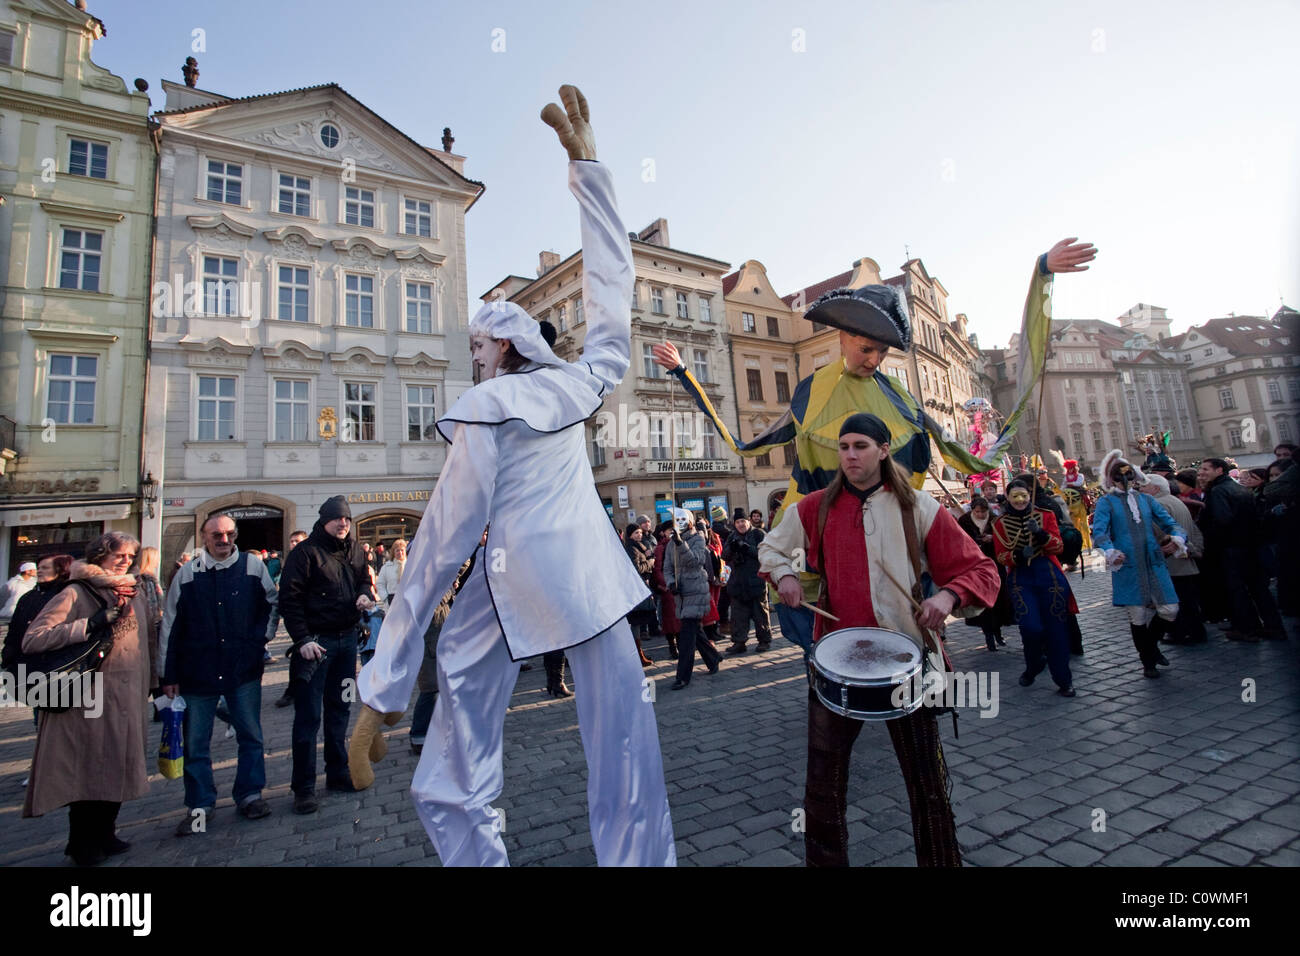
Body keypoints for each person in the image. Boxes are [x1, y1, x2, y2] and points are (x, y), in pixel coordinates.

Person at [348, 86, 674, 867]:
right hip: (592, 584)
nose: (473, 359)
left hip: (506, 584)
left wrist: (383, 687)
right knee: (629, 764)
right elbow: (613, 292)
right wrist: (589, 169)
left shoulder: (491, 405)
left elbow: (436, 546)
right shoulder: (581, 380)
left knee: (451, 780)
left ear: (502, 351)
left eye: (477, 348)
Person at [655, 239, 1095, 658]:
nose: (874, 360)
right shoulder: (812, 394)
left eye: (882, 352)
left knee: (910, 681)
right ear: (842, 338)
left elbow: (970, 461)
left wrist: (1041, 276)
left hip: (897, 539)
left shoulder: (900, 400)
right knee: (833, 667)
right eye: (867, 348)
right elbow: (748, 444)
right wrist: (683, 375)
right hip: (829, 542)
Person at [759, 413, 999, 866]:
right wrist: (785, 574)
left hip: (909, 664)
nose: (849, 454)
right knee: (822, 791)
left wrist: (948, 595)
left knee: (929, 787)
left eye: (860, 446)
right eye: (843, 446)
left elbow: (980, 569)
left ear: (884, 450)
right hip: (836, 663)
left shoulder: (918, 507)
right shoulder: (813, 508)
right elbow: (771, 548)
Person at [21, 532, 161, 865]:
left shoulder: (135, 590)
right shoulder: (76, 590)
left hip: (127, 696)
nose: (125, 560)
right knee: (85, 772)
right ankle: (82, 843)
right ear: (100, 555)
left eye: (130, 555)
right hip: (86, 699)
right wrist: (89, 624)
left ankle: (107, 833)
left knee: (118, 767)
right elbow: (34, 639)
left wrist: (155, 681)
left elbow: (147, 640)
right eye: (119, 554)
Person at [161, 513, 278, 832]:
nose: (223, 540)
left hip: (243, 669)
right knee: (196, 743)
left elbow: (271, 604)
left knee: (250, 735)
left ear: (235, 535)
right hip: (197, 672)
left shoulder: (253, 567)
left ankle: (250, 794)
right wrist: (167, 674)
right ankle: (199, 805)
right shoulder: (187, 574)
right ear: (204, 537)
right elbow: (170, 626)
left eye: (228, 534)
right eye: (216, 535)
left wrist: (259, 640)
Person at [277, 495, 376, 813]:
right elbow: (289, 600)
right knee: (308, 718)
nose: (343, 524)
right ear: (323, 521)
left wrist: (363, 595)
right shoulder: (304, 554)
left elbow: (364, 580)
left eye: (346, 519)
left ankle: (337, 773)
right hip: (316, 648)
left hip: (348, 644)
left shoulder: (355, 549)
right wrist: (302, 639)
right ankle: (303, 788)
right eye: (337, 519)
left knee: (340, 711)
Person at [1091, 450, 1188, 678]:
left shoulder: (1146, 500)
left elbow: (1171, 524)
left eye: (1129, 476)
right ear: (1111, 479)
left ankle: (1151, 649)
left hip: (1153, 561)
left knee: (1170, 609)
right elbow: (1100, 533)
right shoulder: (1106, 502)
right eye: (1119, 477)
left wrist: (1177, 540)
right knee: (1138, 616)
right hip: (1128, 566)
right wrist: (1110, 551)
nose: (1125, 481)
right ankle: (1148, 662)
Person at [993, 478, 1078, 696]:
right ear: (1009, 498)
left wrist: (1040, 534)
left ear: (1029, 495)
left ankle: (1064, 681)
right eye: (1015, 496)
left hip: (1048, 575)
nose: (1020, 500)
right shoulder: (1000, 524)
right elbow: (1001, 556)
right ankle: (1034, 665)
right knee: (1030, 627)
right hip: (1022, 579)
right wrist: (1018, 555)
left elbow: (1058, 546)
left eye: (1023, 495)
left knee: (1056, 630)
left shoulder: (1045, 515)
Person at [1198, 456, 1284, 642]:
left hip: (1230, 547)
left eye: (1206, 469)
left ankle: (1247, 628)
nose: (1202, 472)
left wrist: (1211, 540)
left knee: (1237, 589)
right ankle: (1273, 626)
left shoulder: (1219, 490)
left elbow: (1222, 520)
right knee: (1258, 588)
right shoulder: (1239, 488)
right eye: (1201, 469)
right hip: (1249, 545)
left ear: (1219, 470)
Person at [1142, 474, 1207, 645]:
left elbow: (1158, 533)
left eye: (1144, 486)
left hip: (1172, 559)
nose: (1140, 489)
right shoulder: (1175, 500)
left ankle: (1182, 633)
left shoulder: (1159, 504)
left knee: (1177, 600)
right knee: (1187, 599)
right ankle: (1195, 632)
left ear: (1155, 489)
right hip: (1184, 556)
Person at [665, 509, 722, 690]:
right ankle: (713, 658)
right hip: (680, 594)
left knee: (687, 636)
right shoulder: (670, 544)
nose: (680, 522)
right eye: (677, 519)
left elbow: (696, 561)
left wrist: (680, 543)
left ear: (689, 521)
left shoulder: (698, 538)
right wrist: (671, 582)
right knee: (695, 631)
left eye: (683, 519)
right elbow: (667, 568)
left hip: (696, 591)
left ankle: (683, 676)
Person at [1, 554, 74, 678]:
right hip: (22, 664)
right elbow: (14, 630)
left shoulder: (66, 596)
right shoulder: (28, 597)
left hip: (55, 666)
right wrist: (8, 654)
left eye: (45, 568)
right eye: (38, 568)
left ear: (61, 570)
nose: (39, 571)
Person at [957, 497, 1010, 651]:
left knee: (998, 598)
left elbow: (1004, 539)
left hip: (995, 564)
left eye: (983, 511)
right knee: (982, 601)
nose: (980, 514)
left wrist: (992, 539)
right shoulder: (965, 521)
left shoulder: (995, 520)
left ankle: (998, 633)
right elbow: (961, 540)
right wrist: (975, 541)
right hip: (975, 565)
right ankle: (988, 636)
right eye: (977, 512)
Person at [721, 511, 772, 654]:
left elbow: (765, 554)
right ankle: (739, 642)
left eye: (743, 521)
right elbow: (724, 556)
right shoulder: (732, 536)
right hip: (737, 582)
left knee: (760, 614)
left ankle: (764, 641)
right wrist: (732, 547)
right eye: (737, 522)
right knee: (738, 615)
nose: (740, 524)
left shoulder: (758, 534)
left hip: (756, 581)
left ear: (748, 521)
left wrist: (747, 548)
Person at [272, 529, 309, 709]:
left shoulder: (312, 558)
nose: (294, 544)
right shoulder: (287, 563)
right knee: (299, 653)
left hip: (314, 616)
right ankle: (292, 691)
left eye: (298, 541)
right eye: (292, 541)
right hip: (296, 617)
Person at [624, 524, 657, 666]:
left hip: (641, 585)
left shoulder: (640, 546)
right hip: (635, 588)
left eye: (640, 532)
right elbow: (636, 568)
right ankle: (637, 654)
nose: (639, 535)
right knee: (636, 622)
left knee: (637, 621)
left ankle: (639, 653)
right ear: (630, 535)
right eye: (636, 533)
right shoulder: (631, 547)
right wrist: (650, 562)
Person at [651, 520, 682, 661]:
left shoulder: (679, 543)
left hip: (681, 585)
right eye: (670, 530)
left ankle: (682, 644)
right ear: (663, 532)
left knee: (681, 618)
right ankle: (672, 646)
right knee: (670, 620)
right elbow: (658, 569)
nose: (672, 532)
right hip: (668, 588)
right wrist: (666, 584)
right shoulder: (660, 548)